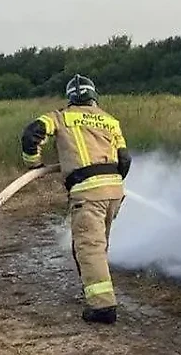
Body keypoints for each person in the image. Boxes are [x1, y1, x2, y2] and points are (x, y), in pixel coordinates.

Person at [20, 74, 131, 324]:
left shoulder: (60, 116)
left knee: (89, 248)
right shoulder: (110, 121)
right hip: (113, 191)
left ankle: (103, 307)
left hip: (88, 191)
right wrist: (110, 184)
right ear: (94, 97)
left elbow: (32, 134)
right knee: (95, 245)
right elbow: (125, 159)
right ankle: (93, 293)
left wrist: (34, 165)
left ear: (70, 98)